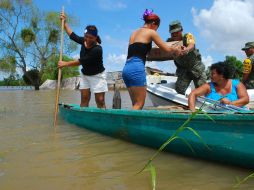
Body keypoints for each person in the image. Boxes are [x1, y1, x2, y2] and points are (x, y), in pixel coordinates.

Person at [122, 9, 182, 110]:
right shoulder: (151, 32)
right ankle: (124, 125)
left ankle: (130, 124)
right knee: (139, 104)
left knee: (135, 104)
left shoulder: (134, 33)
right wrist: (177, 49)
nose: (156, 31)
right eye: (157, 28)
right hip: (137, 68)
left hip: (126, 68)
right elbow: (167, 49)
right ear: (154, 24)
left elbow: (137, 50)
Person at [58, 12, 108, 108]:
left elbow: (81, 61)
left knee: (100, 101)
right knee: (84, 99)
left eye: (91, 38)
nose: (88, 39)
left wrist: (65, 64)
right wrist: (64, 23)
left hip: (97, 76)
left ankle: (102, 118)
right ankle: (82, 117)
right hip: (85, 75)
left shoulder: (97, 49)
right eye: (86, 37)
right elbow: (72, 35)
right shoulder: (83, 41)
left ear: (96, 38)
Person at [167, 20, 207, 95]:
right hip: (183, 70)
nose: (174, 34)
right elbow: (163, 53)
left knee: (202, 90)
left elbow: (191, 44)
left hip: (196, 69)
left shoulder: (188, 36)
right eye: (172, 33)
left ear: (181, 30)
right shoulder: (169, 42)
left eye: (176, 32)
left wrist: (187, 49)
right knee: (178, 90)